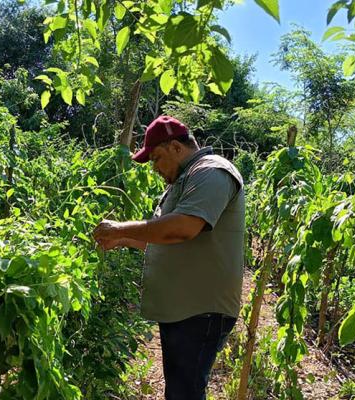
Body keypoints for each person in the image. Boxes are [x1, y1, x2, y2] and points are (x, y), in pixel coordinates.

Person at [92, 115, 245, 399]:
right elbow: (166, 240)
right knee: (179, 389)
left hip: (201, 309)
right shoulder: (186, 179)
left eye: (157, 158)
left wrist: (119, 227)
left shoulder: (211, 172)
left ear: (176, 147)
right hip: (185, 307)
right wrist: (122, 239)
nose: (155, 169)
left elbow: (183, 228)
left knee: (184, 392)